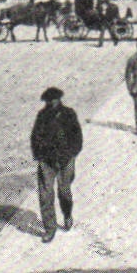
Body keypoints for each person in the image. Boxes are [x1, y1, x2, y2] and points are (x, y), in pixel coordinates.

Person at [31, 86, 83, 242]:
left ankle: (67, 215)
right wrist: (39, 156)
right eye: (48, 101)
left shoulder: (69, 114)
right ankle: (49, 228)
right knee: (45, 195)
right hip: (46, 161)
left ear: (59, 99)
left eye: (54, 100)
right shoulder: (41, 116)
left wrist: (71, 154)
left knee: (64, 191)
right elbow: (35, 137)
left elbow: (77, 138)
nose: (51, 103)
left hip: (65, 160)